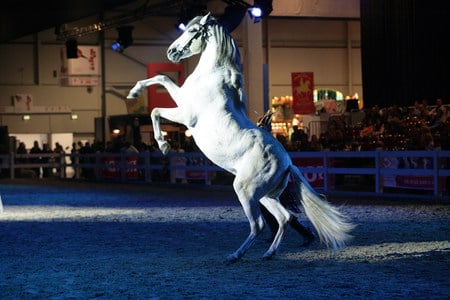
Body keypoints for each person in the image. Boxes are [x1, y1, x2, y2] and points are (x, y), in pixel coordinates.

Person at [257, 110, 316, 246]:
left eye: (261, 126)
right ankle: (276, 231)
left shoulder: (270, 142)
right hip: (270, 181)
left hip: (276, 182)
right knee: (265, 207)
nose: (259, 128)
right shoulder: (265, 141)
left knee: (279, 209)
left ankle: (304, 233)